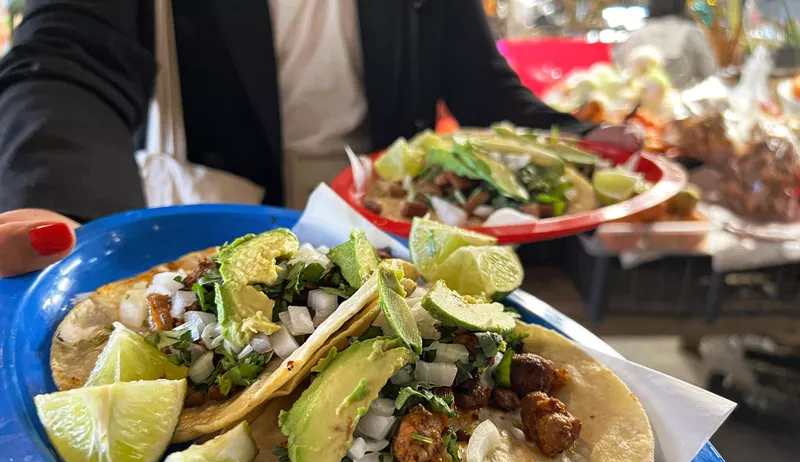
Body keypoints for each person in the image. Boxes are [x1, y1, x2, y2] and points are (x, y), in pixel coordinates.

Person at [0, 0, 638, 278]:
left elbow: (480, 82)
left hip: (385, 221)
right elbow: (67, 55)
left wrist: (578, 140)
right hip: (228, 214)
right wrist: (64, 205)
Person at [618, 0, 717, 89]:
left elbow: (625, 73)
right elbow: (710, 72)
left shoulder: (637, 35)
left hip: (645, 105)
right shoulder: (692, 34)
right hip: (685, 103)